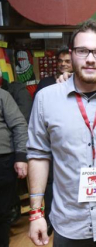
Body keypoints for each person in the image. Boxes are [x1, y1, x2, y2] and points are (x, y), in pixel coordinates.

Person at [27, 19, 96, 246]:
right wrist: (36, 213)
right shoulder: (47, 98)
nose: (89, 58)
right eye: (82, 50)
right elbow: (38, 155)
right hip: (69, 223)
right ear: (71, 54)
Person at [33, 46, 72, 235]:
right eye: (61, 61)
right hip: (50, 143)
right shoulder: (46, 83)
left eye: (67, 61)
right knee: (49, 183)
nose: (63, 64)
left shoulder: (82, 82)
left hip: (72, 144)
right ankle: (50, 220)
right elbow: (38, 116)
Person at [0, 88, 28, 247]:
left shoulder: (2, 95)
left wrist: (21, 157)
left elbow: (19, 125)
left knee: (2, 210)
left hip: (2, 159)